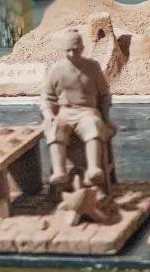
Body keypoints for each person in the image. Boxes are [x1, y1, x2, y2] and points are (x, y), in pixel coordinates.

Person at [40, 28, 114, 187]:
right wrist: (48, 115)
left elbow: (104, 95)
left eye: (75, 49)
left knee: (93, 125)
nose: (72, 54)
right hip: (65, 113)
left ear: (82, 48)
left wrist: (106, 117)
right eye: (68, 50)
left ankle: (93, 169)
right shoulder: (57, 70)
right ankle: (59, 172)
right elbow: (47, 97)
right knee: (54, 128)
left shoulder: (93, 67)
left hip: (87, 112)